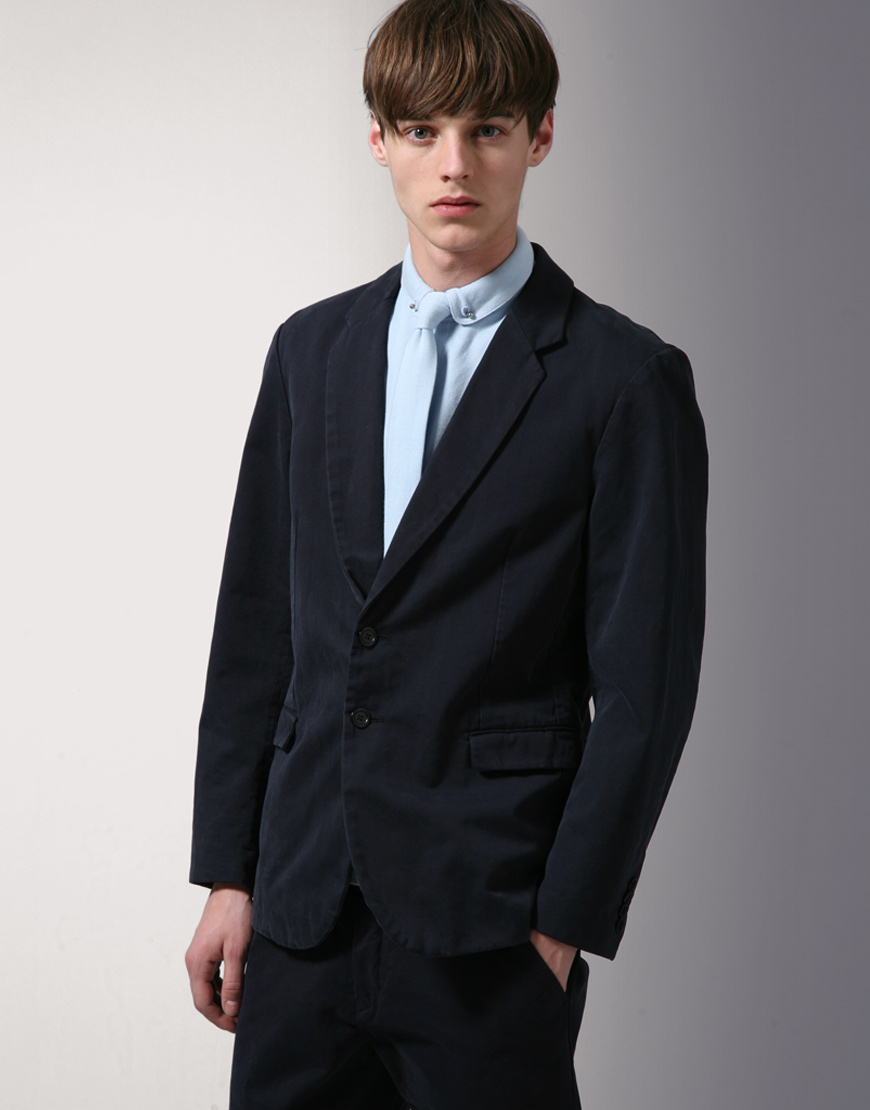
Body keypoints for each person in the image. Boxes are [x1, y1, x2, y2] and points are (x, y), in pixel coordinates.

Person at [185, 1, 708, 1107]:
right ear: (378, 140)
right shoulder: (309, 351)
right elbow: (256, 633)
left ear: (541, 136)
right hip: (303, 911)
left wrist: (560, 928)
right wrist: (230, 875)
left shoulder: (623, 380)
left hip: (490, 924)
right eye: (423, 131)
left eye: (488, 129)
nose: (455, 164)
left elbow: (645, 691)